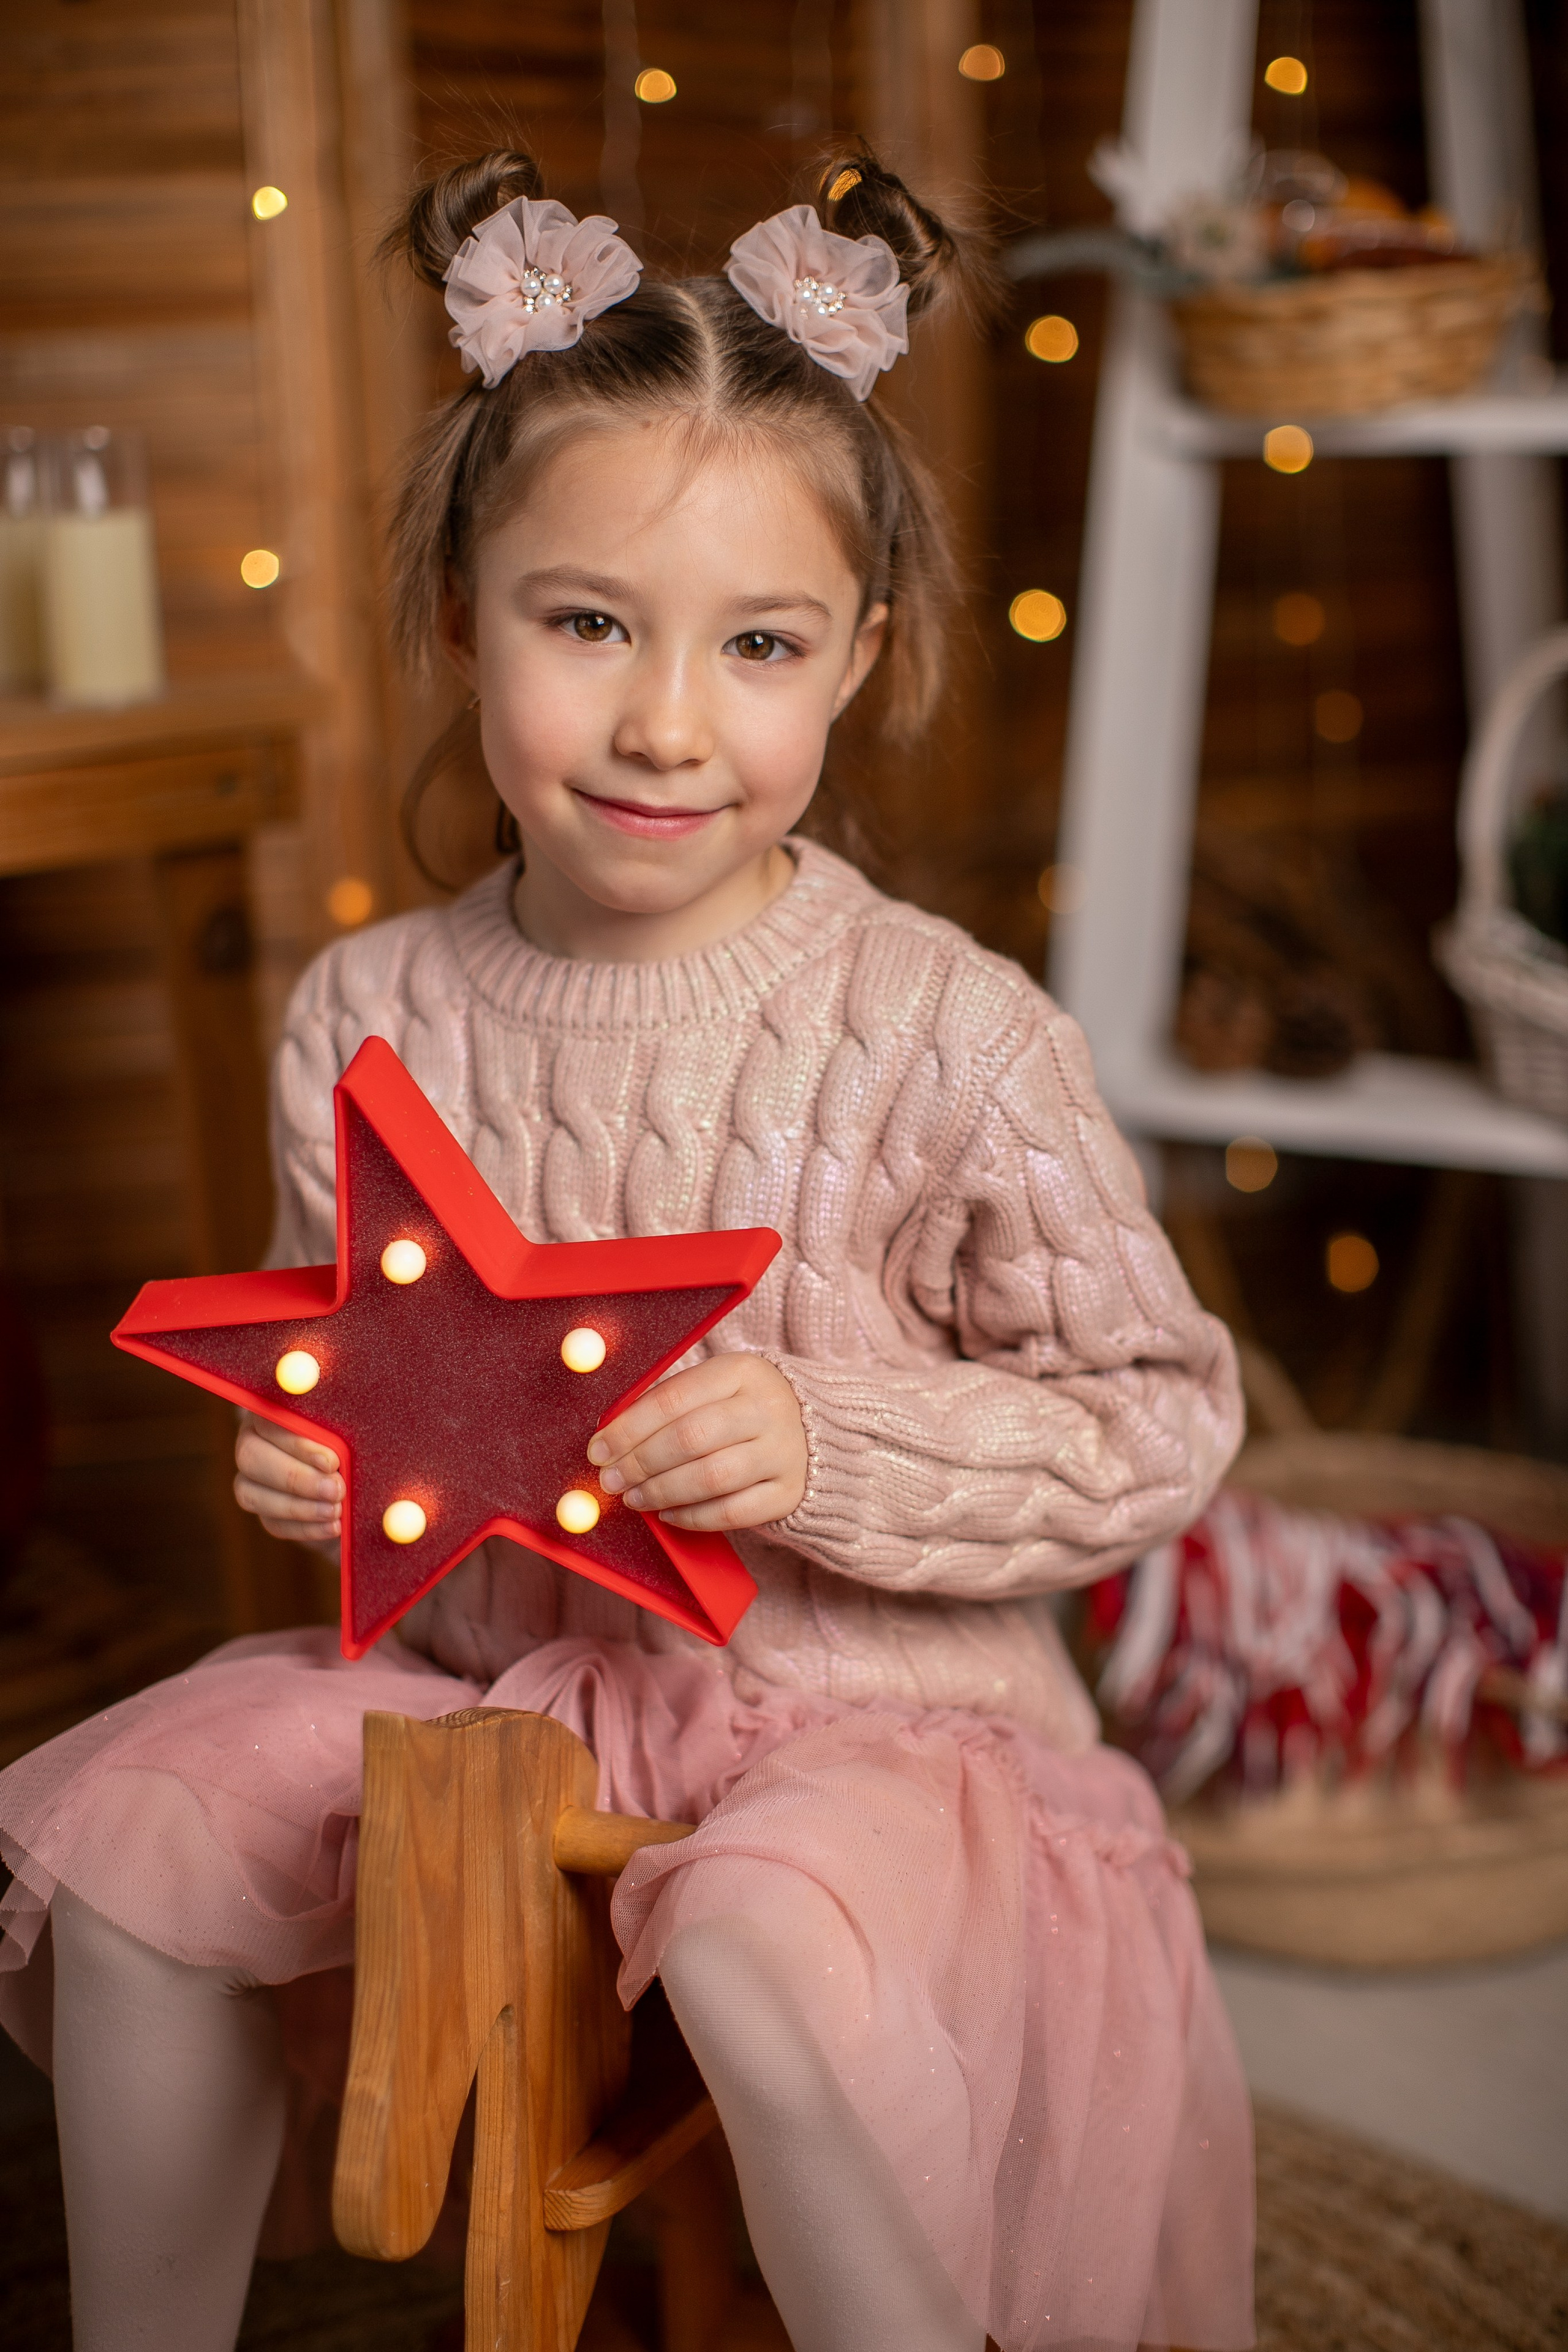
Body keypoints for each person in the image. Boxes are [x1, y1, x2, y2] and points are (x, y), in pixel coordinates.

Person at [0, 147, 1254, 2352]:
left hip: (877, 1737)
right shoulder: (364, 1020)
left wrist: (826, 1441)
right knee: (133, 1865)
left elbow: (1159, 1424)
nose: (670, 721)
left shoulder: (943, 1031)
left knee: (773, 1934)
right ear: (462, 615)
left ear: (854, 662)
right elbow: (383, 1431)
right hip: (504, 1698)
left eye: (756, 646)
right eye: (588, 623)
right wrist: (311, 1467)